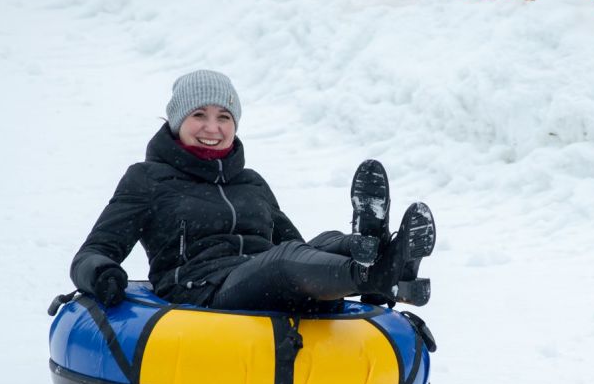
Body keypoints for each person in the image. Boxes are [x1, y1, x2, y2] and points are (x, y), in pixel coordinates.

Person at [69, 70, 436, 314]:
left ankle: (383, 253)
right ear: (178, 120)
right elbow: (93, 252)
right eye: (199, 114)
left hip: (261, 280)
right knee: (283, 261)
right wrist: (102, 274)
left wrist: (335, 248)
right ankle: (378, 275)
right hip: (203, 291)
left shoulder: (252, 183)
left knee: (325, 241)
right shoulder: (147, 179)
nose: (212, 127)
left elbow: (301, 248)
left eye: (224, 117)